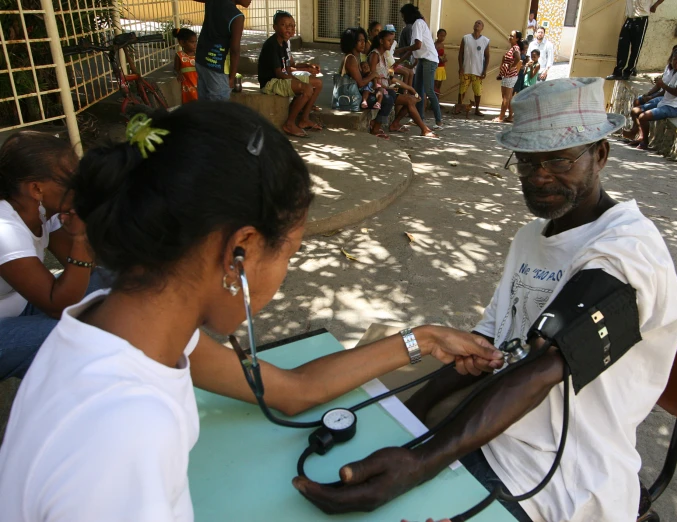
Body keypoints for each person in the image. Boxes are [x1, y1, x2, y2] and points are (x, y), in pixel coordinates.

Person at [0, 102, 500, 520]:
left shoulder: (125, 321)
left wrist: (425, 339)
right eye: (289, 252)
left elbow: (291, 391)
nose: (284, 272)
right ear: (241, 249)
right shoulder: (126, 430)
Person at [292, 78, 677, 522]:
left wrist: (419, 463)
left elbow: (544, 367)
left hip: (563, 476)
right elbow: (487, 345)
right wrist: (408, 418)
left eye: (559, 158)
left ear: (600, 154)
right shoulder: (530, 239)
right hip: (491, 434)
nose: (540, 176)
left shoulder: (628, 251)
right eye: (528, 161)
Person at [0, 132, 111, 381]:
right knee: (74, 341)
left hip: (22, 308)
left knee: (115, 282)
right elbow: (56, 304)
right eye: (71, 179)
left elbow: (86, 269)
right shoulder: (5, 230)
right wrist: (81, 239)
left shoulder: (43, 213)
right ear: (37, 189)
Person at [258, 11, 323, 138]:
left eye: (292, 26)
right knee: (307, 88)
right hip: (270, 82)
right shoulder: (272, 45)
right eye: (284, 25)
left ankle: (304, 119)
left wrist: (307, 67)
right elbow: (279, 73)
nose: (289, 28)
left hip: (280, 77)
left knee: (318, 83)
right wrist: (299, 82)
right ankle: (289, 123)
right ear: (275, 27)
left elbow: (288, 67)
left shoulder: (283, 43)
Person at [367, 30, 438, 138]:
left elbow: (391, 78)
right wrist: (384, 87)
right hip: (377, 91)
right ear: (381, 41)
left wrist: (409, 88)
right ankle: (376, 127)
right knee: (394, 99)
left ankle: (397, 124)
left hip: (387, 88)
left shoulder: (385, 56)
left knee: (413, 99)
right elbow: (372, 76)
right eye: (388, 40)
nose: (391, 43)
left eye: (392, 41)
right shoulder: (374, 55)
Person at [623, 48, 677, 150]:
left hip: (673, 107)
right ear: (671, 59)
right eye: (676, 59)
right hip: (664, 101)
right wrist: (651, 95)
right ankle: (636, 134)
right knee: (635, 110)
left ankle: (644, 142)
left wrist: (662, 85)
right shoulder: (673, 70)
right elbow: (664, 89)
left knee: (642, 117)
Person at [397, 4, 444, 130]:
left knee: (428, 90)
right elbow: (414, 49)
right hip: (423, 60)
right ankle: (419, 118)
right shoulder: (418, 24)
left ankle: (439, 121)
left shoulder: (418, 23)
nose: (403, 18)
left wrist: (401, 50)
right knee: (418, 91)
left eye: (403, 16)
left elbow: (417, 46)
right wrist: (398, 62)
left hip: (429, 60)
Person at [195, 0, 250, 101]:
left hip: (201, 61)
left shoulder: (212, 2)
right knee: (219, 111)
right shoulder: (237, 17)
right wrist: (232, 77)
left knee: (204, 107)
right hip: (218, 67)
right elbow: (235, 50)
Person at [607, 0, 665, 80]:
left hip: (641, 20)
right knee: (622, 45)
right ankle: (618, 72)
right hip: (629, 19)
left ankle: (629, 71)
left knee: (636, 48)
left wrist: (655, 6)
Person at [456, 20, 491, 116]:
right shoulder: (466, 38)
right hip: (466, 69)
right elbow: (460, 54)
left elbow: (487, 56)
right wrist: (460, 67)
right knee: (462, 89)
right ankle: (459, 107)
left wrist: (484, 70)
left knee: (478, 91)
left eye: (479, 23)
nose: (477, 24)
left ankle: (477, 109)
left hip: (478, 71)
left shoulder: (485, 40)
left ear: (482, 28)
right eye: (475, 23)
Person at [495, 31, 523, 123]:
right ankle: (510, 116)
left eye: (512, 36)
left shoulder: (515, 48)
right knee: (509, 97)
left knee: (505, 97)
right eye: (510, 35)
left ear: (517, 39)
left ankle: (500, 117)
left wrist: (511, 67)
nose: (510, 37)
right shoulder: (514, 48)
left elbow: (518, 58)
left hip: (509, 76)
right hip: (509, 75)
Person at [173, 27, 198, 104]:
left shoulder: (198, 55)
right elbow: (175, 69)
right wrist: (178, 73)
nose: (195, 45)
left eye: (195, 42)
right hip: (187, 86)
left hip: (199, 85)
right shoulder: (179, 56)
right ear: (182, 43)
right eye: (192, 42)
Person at [434, 28, 448, 95]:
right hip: (437, 67)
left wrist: (444, 58)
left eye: (444, 36)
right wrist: (440, 59)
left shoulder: (442, 45)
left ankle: (437, 100)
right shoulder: (435, 45)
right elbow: (435, 56)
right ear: (437, 35)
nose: (442, 37)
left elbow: (443, 55)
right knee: (435, 86)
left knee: (439, 86)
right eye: (441, 35)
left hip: (442, 67)